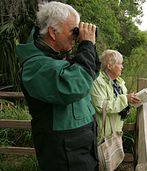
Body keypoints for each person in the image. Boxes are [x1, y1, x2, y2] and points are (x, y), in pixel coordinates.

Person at [16, 1, 100, 171]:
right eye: (73, 31)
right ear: (53, 33)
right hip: (64, 154)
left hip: (80, 146)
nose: (75, 37)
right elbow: (77, 85)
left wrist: (89, 46)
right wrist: (86, 46)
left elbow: (91, 73)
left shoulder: (57, 55)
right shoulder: (36, 66)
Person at [90, 50, 140, 146]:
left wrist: (132, 99)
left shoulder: (119, 82)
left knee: (114, 158)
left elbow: (121, 102)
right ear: (109, 66)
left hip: (116, 131)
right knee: (104, 159)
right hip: (104, 134)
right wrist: (125, 99)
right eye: (120, 64)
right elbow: (101, 106)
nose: (122, 67)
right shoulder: (98, 81)